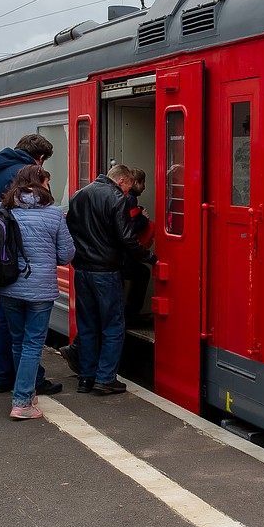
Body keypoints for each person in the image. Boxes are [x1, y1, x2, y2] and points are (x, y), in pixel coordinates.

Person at [67, 164, 155, 395]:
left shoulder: (79, 195)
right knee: (113, 326)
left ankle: (85, 378)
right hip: (105, 272)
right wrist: (149, 257)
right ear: (123, 180)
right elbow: (127, 238)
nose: (127, 192)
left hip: (82, 270)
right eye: (127, 187)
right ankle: (105, 378)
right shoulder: (117, 198)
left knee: (87, 326)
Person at [0, 134, 57, 397]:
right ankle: (29, 382)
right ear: (40, 158)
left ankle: (3, 376)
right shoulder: (25, 176)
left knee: (8, 324)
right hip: (18, 260)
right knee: (28, 335)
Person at [0, 166, 74, 420]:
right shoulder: (53, 214)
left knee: (19, 341)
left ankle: (25, 394)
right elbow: (66, 254)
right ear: (41, 183)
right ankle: (21, 402)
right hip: (40, 289)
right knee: (32, 344)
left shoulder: (3, 209)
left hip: (8, 287)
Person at [123, 167, 154, 326]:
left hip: (120, 254)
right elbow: (130, 227)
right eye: (142, 183)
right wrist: (143, 219)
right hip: (124, 255)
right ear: (135, 183)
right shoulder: (131, 199)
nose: (144, 187)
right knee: (142, 273)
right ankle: (131, 313)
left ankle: (129, 312)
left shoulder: (125, 196)